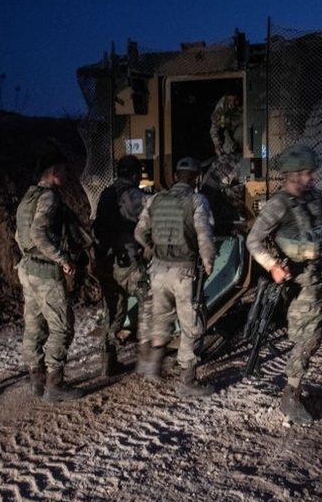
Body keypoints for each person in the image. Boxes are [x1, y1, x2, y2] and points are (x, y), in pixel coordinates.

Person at [245, 145, 322, 426]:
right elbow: (253, 240)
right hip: (302, 279)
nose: (312, 177)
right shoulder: (279, 204)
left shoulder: (315, 198)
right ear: (293, 175)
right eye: (307, 173)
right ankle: (290, 393)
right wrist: (272, 265)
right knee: (309, 337)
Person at [133, 157, 216, 397]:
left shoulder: (155, 199)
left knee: (161, 318)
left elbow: (139, 232)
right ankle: (188, 380)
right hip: (184, 271)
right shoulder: (197, 200)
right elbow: (204, 235)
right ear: (196, 178)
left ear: (176, 176)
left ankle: (154, 365)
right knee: (191, 324)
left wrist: (151, 248)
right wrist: (208, 263)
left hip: (157, 270)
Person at [14, 151, 85, 402]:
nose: (67, 176)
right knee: (62, 326)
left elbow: (19, 235)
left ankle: (37, 379)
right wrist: (62, 258)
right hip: (44, 270)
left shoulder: (28, 196)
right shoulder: (49, 197)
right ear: (54, 172)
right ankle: (55, 383)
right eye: (65, 171)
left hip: (27, 268)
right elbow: (37, 233)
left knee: (34, 324)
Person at [92, 155, 151, 377]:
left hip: (106, 261)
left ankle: (108, 361)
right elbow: (154, 211)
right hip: (127, 263)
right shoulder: (134, 195)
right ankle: (147, 358)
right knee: (151, 300)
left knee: (114, 311)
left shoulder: (106, 194)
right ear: (135, 175)